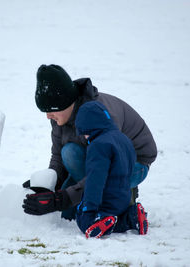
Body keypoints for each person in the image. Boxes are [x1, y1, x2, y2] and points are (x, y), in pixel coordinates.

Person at [22, 64, 157, 225]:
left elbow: (103, 172)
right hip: (98, 160)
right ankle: (102, 198)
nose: (48, 116)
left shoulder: (99, 115)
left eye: (51, 110)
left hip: (131, 164)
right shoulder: (59, 118)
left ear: (65, 102)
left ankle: (124, 202)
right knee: (67, 212)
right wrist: (49, 184)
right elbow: (58, 156)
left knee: (82, 203)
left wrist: (61, 198)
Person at [74, 100, 148, 238]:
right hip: (124, 199)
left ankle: (99, 222)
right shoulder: (124, 139)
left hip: (105, 201)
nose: (84, 137)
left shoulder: (98, 145)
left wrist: (89, 208)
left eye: (83, 132)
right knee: (118, 216)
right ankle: (132, 217)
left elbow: (95, 180)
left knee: (82, 219)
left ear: (88, 127)